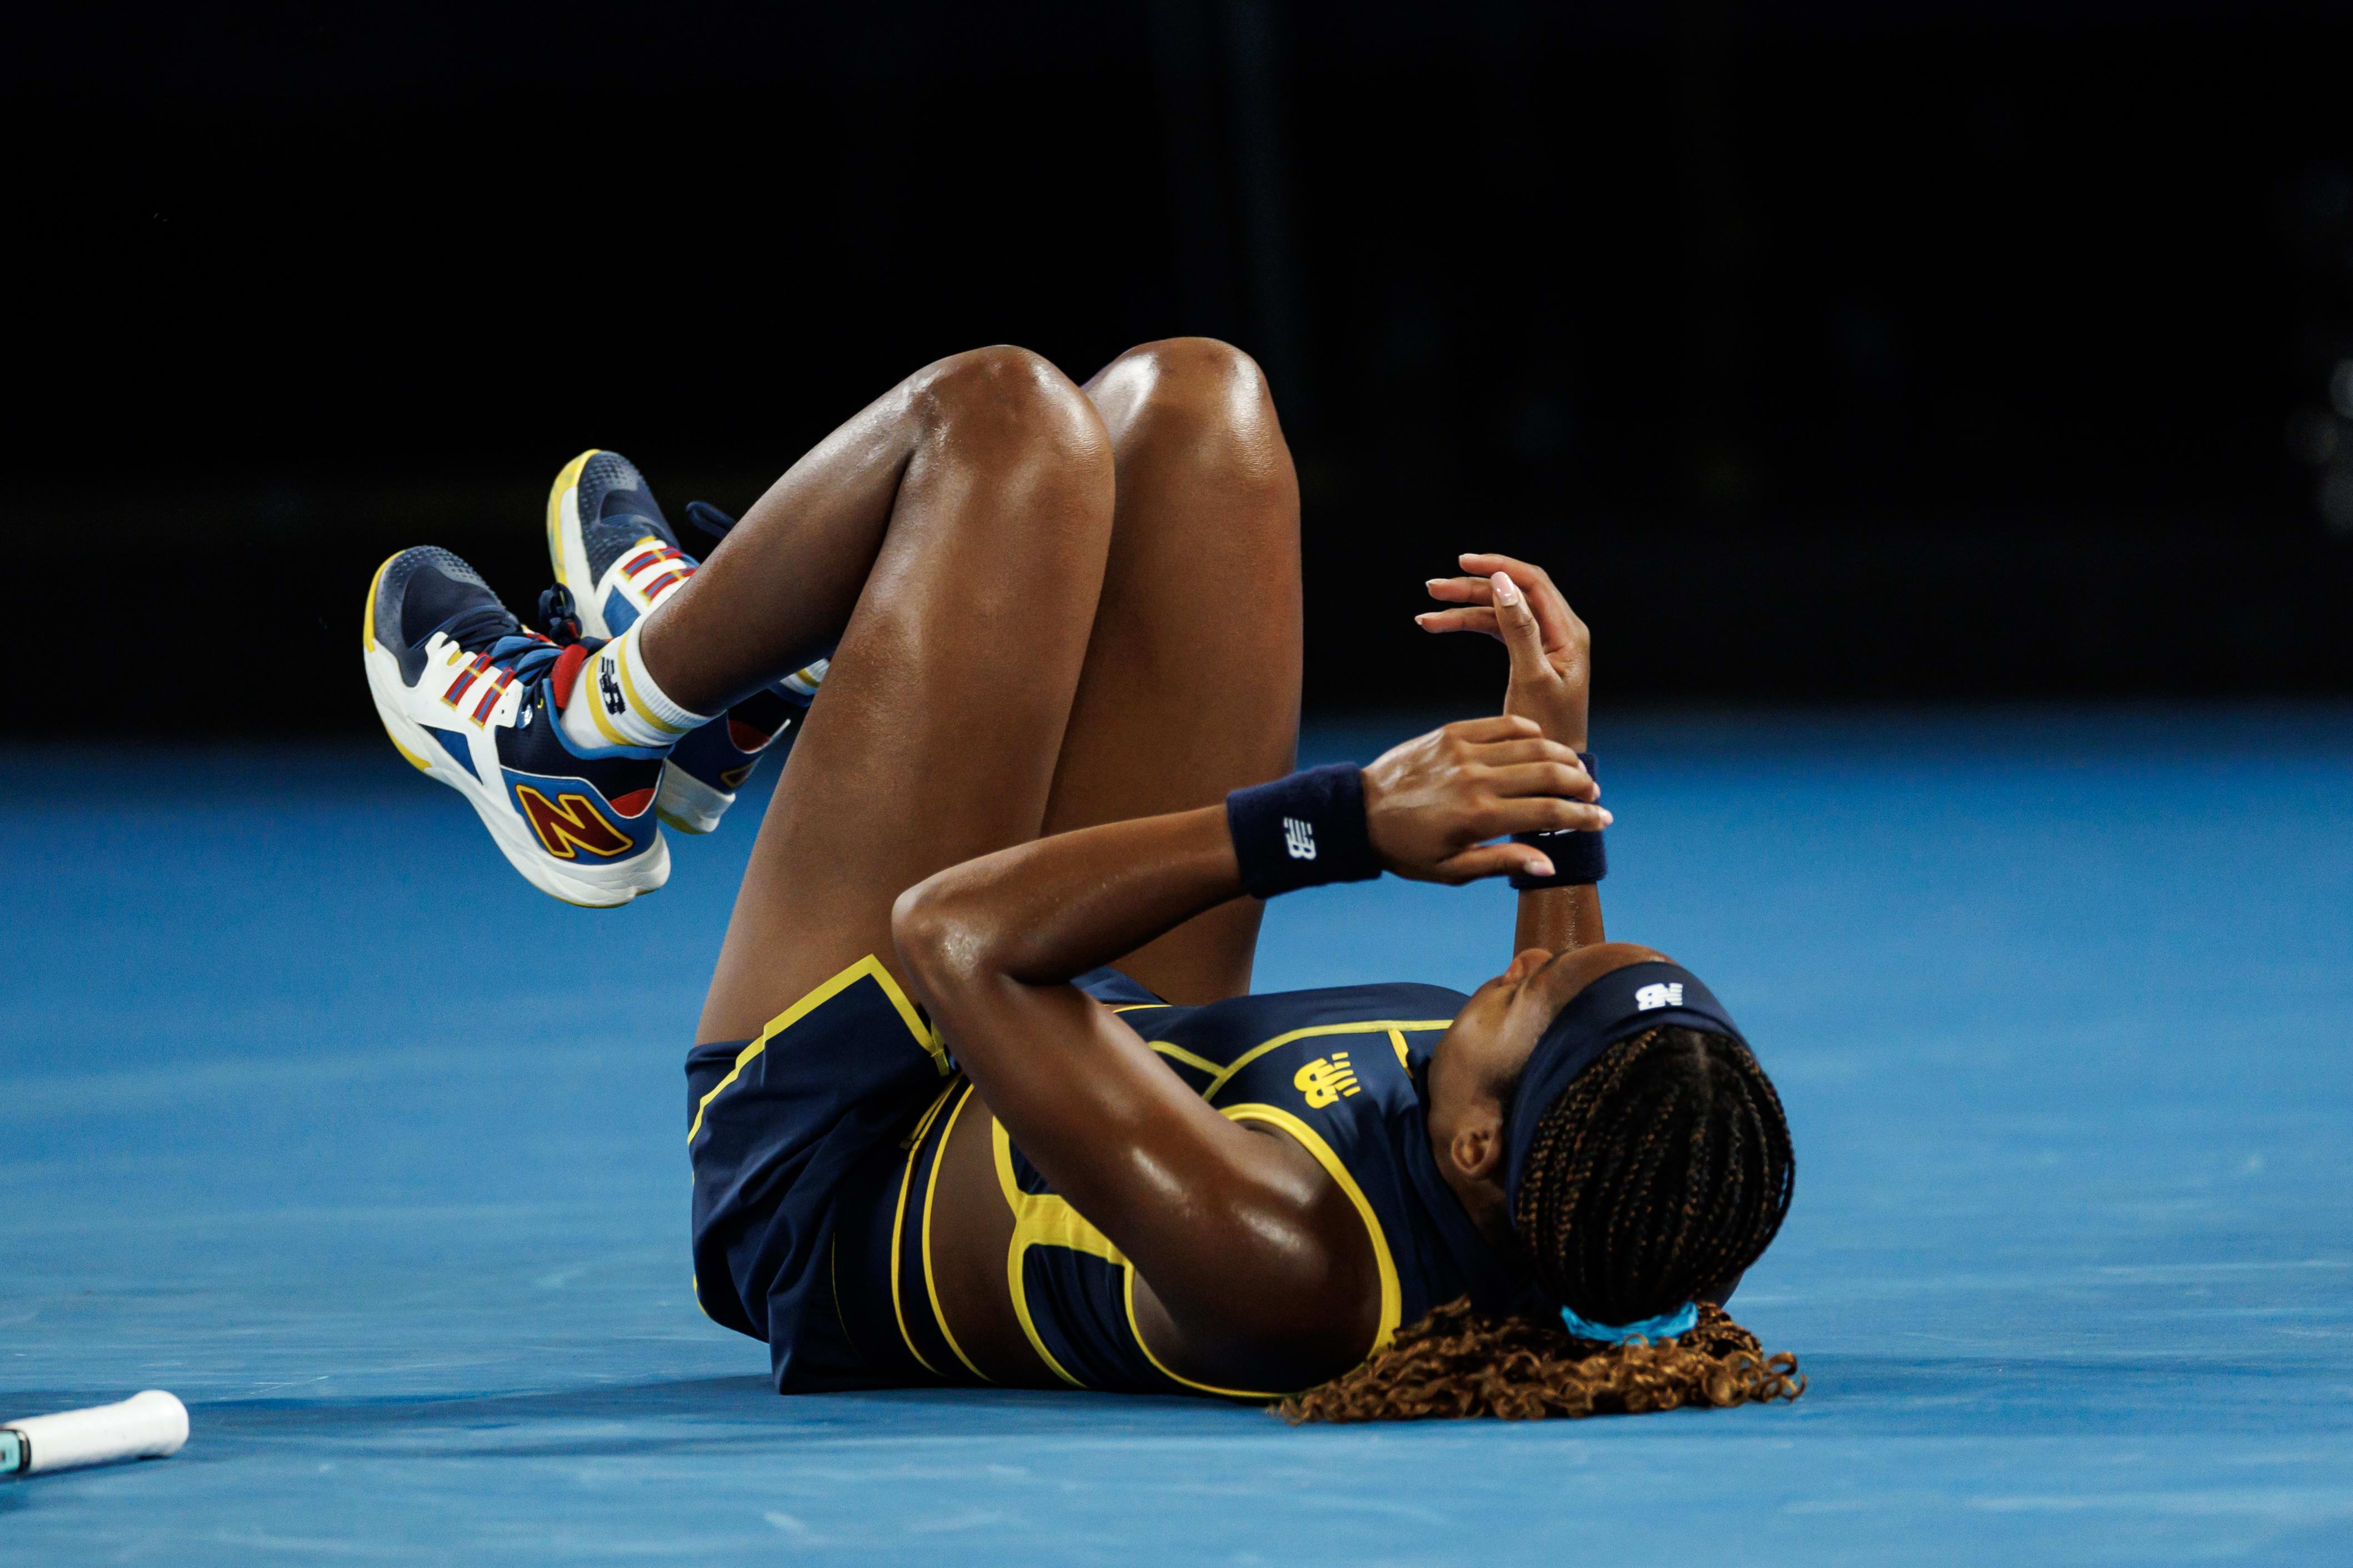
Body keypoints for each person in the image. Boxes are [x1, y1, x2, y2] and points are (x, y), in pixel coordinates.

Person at [361, 338, 1802, 1421]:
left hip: (852, 1121)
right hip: (1086, 1038)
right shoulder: (1591, 1186)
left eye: (1546, 983)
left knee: (1000, 420)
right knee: (1198, 407)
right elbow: (1579, 1034)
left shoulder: (1288, 1268)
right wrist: (1549, 765)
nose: (1537, 952)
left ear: (1481, 1150)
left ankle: (594, 734)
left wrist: (1341, 819)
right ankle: (765, 650)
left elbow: (956, 935)